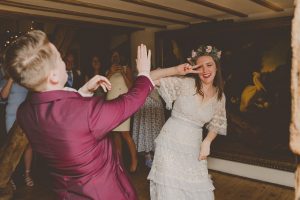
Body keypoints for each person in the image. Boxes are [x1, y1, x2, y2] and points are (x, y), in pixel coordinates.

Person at [4, 30, 153, 200]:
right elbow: (128, 103)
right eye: (60, 59)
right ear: (53, 76)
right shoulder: (86, 112)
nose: (64, 62)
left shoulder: (24, 113)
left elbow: (63, 118)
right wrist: (144, 74)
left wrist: (82, 93)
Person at [148, 45, 227, 199]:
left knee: (200, 192)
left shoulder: (219, 96)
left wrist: (208, 141)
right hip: (169, 143)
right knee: (170, 190)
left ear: (216, 67)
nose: (205, 70)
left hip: (194, 146)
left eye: (209, 65)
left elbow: (217, 123)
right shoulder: (185, 83)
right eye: (200, 66)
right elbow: (148, 77)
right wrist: (176, 70)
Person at [106, 51, 138, 172]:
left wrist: (123, 73)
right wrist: (110, 72)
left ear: (121, 57)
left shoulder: (126, 68)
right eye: (113, 56)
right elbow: (104, 87)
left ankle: (135, 161)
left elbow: (131, 87)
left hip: (123, 104)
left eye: (117, 56)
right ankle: (119, 163)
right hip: (111, 104)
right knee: (115, 134)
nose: (115, 58)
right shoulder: (109, 70)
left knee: (125, 133)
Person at [0, 76, 34, 187]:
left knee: (28, 146)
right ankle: (9, 177)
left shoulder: (27, 77)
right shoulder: (7, 79)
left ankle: (27, 174)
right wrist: (11, 78)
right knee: (11, 146)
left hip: (26, 116)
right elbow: (4, 95)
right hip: (11, 116)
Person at [132, 87, 165, 168]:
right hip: (144, 102)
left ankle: (156, 155)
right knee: (145, 127)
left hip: (155, 102)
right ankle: (147, 155)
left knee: (156, 128)